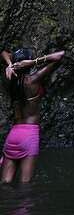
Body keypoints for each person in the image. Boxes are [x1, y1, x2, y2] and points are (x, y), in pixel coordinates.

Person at [1, 47, 65, 182]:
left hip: (12, 136)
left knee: (5, 184)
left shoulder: (9, 81)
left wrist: (9, 65)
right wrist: (33, 62)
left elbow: (2, 52)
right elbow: (60, 55)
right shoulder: (33, 80)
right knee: (25, 186)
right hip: (29, 136)